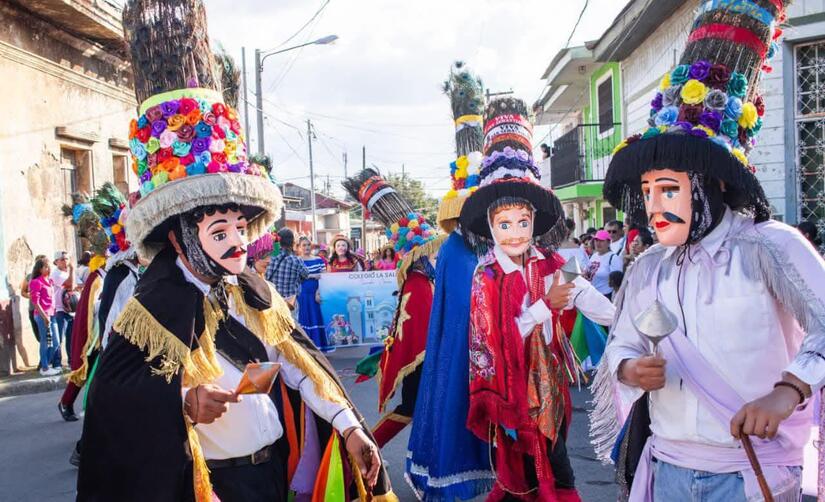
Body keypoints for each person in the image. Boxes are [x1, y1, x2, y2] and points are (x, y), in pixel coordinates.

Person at [78, 3, 395, 499]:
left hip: (272, 471)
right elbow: (115, 402)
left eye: (241, 227)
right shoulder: (149, 309)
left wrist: (349, 426)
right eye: (220, 230)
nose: (238, 242)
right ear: (180, 235)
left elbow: (301, 367)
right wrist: (184, 402)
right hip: (211, 484)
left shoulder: (255, 293)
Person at [592, 2, 825, 500]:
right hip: (668, 468)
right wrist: (631, 369)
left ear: (714, 181)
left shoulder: (770, 248)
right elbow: (622, 344)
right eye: (648, 190)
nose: (654, 206)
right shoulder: (647, 268)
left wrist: (788, 391)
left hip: (753, 473)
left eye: (668, 189)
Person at [457, 97, 615, 501]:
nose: (514, 233)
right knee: (526, 476)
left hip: (550, 387)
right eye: (504, 224)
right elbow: (490, 340)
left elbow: (593, 302)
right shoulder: (486, 275)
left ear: (533, 223)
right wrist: (547, 305)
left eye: (522, 222)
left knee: (556, 469)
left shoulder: (553, 263)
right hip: (511, 392)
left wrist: (628, 319)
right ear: (491, 226)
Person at [406, 61, 493, 500]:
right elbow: (461, 309)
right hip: (465, 350)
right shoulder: (458, 250)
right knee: (458, 404)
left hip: (492, 347)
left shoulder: (486, 245)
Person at [344, 168, 445, 448]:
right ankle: (367, 450)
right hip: (422, 362)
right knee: (410, 409)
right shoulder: (418, 283)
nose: (438, 258)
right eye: (434, 255)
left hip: (427, 360)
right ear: (420, 256)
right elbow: (422, 328)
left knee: (420, 410)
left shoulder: (424, 280)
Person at [58, 186, 114, 423]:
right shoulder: (96, 276)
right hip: (96, 334)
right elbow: (93, 308)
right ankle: (66, 402)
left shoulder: (111, 271)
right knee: (87, 367)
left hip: (108, 330)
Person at [265, 228, 309, 319]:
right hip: (289, 304)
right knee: (291, 326)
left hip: (271, 302)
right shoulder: (296, 260)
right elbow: (306, 275)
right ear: (292, 242)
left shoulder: (269, 257)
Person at [297, 236, 330, 352]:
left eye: (308, 245)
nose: (306, 247)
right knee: (304, 318)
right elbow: (295, 277)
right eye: (304, 245)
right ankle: (306, 349)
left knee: (317, 317)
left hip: (316, 294)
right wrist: (311, 275)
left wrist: (318, 291)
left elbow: (324, 277)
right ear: (299, 247)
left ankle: (319, 347)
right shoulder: (297, 261)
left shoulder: (318, 260)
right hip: (302, 294)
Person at [29, 256, 60, 376]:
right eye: (46, 267)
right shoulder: (36, 282)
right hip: (42, 315)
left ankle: (47, 364)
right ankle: (45, 367)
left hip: (52, 314)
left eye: (48, 266)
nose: (48, 268)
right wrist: (44, 316)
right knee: (45, 341)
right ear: (40, 269)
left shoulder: (49, 281)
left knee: (56, 342)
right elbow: (35, 302)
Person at [50, 250, 75, 369]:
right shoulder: (56, 274)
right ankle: (56, 363)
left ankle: (71, 361)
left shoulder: (67, 273)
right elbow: (71, 285)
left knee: (71, 338)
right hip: (60, 310)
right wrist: (72, 270)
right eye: (62, 259)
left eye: (67, 259)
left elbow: (77, 285)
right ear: (56, 262)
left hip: (71, 310)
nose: (65, 261)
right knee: (59, 338)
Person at [586, 230, 622, 299]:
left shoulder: (614, 258)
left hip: (605, 296)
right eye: (596, 240)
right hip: (592, 295)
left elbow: (617, 282)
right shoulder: (594, 256)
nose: (598, 243)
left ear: (608, 243)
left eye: (601, 241)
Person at [20, 254, 46, 344]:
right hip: (33, 310)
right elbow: (23, 292)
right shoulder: (29, 277)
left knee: (49, 337)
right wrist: (31, 296)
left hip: (46, 310)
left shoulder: (48, 277)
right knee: (40, 338)